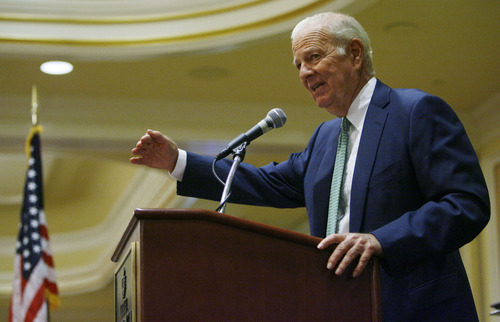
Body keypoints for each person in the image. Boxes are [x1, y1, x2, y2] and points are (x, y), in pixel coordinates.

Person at [131, 12, 490, 321]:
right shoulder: (326, 137)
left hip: (414, 308)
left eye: (314, 57)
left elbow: (466, 204)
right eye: (298, 65)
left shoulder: (414, 112)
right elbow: (267, 183)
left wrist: (382, 240)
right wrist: (177, 162)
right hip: (337, 307)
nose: (304, 73)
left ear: (354, 53)